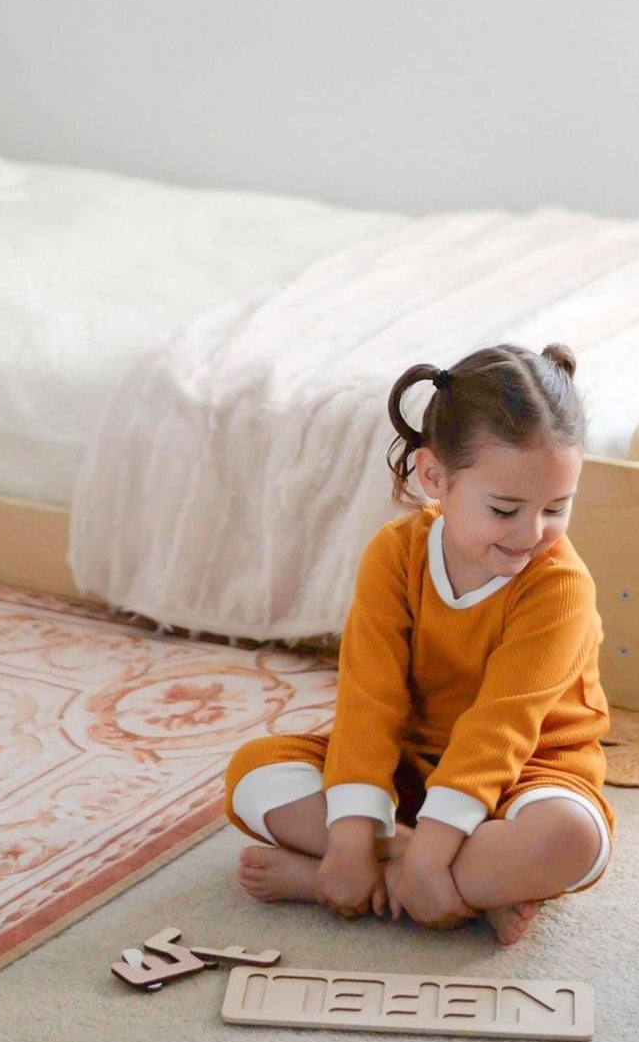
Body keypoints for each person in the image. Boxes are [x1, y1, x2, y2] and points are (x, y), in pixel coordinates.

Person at [223, 343, 613, 945]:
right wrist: (355, 834)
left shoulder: (559, 584)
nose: (532, 533)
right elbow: (368, 697)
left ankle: (356, 878)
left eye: (556, 508)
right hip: (405, 769)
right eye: (506, 509)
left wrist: (431, 855)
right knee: (253, 773)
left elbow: (500, 728)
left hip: (526, 771)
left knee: (572, 839)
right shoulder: (394, 554)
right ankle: (455, 888)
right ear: (435, 477)